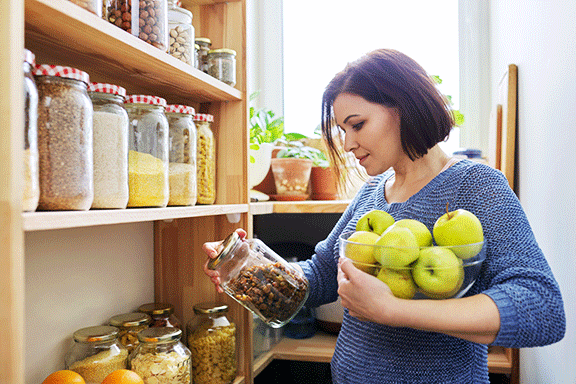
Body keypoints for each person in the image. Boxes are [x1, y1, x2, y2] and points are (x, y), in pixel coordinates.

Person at [203, 49, 566, 383]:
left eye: (357, 124)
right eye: (342, 130)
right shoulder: (371, 194)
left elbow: (542, 308)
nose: (346, 144)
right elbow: (323, 275)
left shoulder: (476, 185)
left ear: (403, 106)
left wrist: (394, 310)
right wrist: (250, 269)